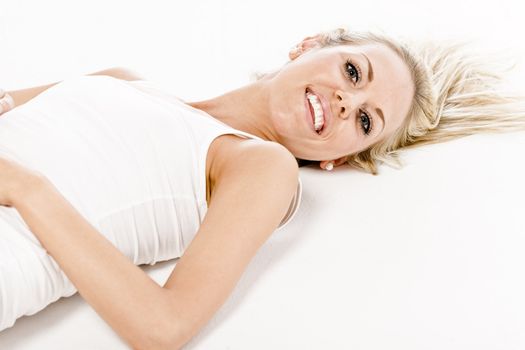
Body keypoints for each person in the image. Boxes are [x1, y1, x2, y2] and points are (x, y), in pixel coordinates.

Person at [0, 27, 523, 349]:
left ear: (338, 158)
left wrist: (29, 190)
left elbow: (162, 328)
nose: (346, 102)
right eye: (352, 71)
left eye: (366, 121)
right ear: (309, 45)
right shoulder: (122, 80)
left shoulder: (260, 166)